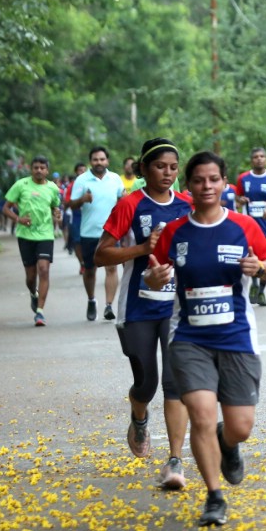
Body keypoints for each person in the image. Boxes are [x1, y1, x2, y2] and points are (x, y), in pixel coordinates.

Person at [145, 150, 266, 526]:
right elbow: (153, 273)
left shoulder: (244, 226)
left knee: (240, 427)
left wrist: (261, 267)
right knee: (201, 417)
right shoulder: (174, 232)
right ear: (188, 186)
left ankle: (228, 442)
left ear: (225, 184)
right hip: (189, 339)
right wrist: (153, 279)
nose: (206, 186)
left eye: (213, 180)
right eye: (199, 180)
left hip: (237, 337)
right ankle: (214, 495)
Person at [95, 138, 193, 489]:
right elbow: (101, 254)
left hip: (176, 306)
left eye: (172, 167)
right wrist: (141, 249)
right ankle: (139, 417)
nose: (167, 173)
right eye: (159, 167)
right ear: (143, 169)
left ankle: (175, 460)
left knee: (175, 382)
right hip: (137, 306)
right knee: (146, 382)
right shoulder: (130, 204)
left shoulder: (187, 205)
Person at [2, 155, 63, 327]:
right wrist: (18, 219)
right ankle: (33, 294)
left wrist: (57, 214)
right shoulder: (21, 185)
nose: (39, 170)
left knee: (43, 270)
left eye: (42, 168)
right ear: (31, 169)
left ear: (47, 170)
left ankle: (40, 312)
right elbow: (6, 208)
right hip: (25, 235)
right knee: (30, 277)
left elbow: (55, 207)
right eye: (36, 167)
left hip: (45, 234)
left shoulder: (52, 188)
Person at [70, 147, 125, 321]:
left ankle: (109, 305)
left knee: (111, 268)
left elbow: (122, 200)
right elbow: (71, 204)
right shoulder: (82, 180)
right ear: (90, 161)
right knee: (90, 270)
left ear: (107, 161)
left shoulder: (115, 179)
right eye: (95, 159)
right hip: (89, 232)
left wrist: (124, 200)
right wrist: (82, 200)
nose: (99, 163)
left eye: (102, 159)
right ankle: (91, 300)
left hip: (110, 233)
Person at [234, 147, 266, 307]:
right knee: (251, 257)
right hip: (250, 228)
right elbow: (238, 197)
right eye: (255, 157)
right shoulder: (243, 178)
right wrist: (241, 200)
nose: (259, 159)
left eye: (262, 156)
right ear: (251, 160)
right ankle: (254, 286)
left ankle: (261, 290)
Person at [65, 162, 87, 258]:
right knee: (77, 241)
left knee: (88, 240)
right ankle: (82, 263)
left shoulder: (92, 183)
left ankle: (87, 263)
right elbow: (67, 201)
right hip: (76, 214)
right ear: (76, 172)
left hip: (89, 215)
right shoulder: (72, 186)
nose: (82, 172)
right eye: (80, 170)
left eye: (84, 170)